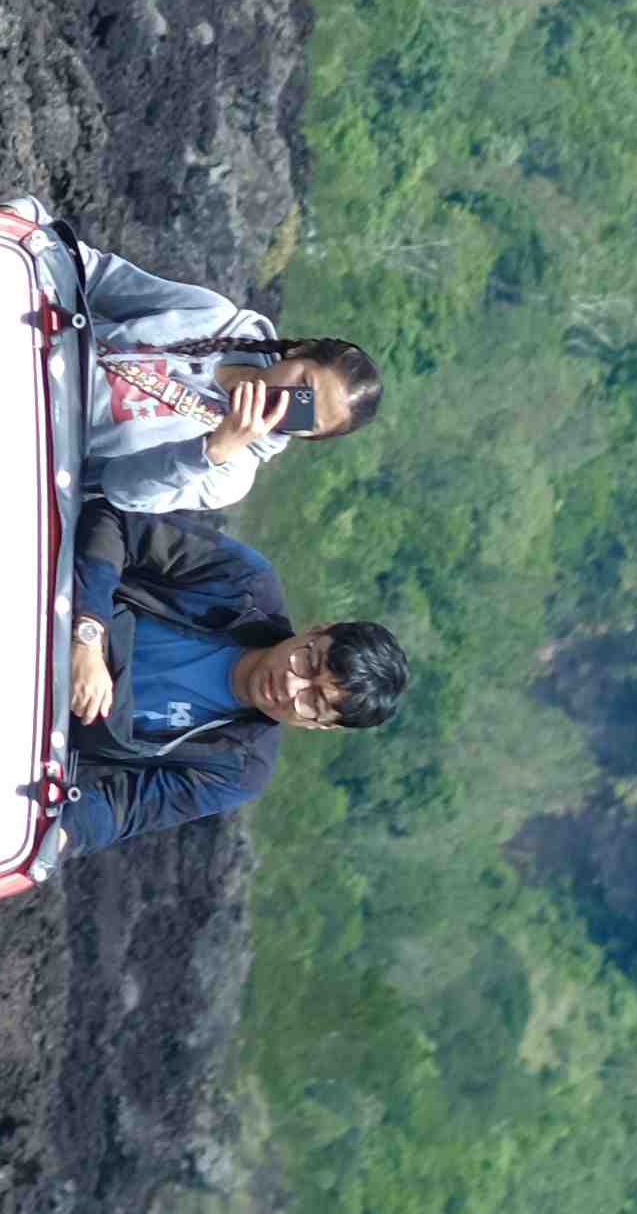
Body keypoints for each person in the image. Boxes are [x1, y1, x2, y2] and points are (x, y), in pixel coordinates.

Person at [54, 500, 409, 862]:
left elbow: (123, 808)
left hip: (44, 728)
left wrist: (65, 834)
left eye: (313, 702)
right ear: (318, 630)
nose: (291, 687)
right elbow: (115, 522)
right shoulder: (243, 581)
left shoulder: (239, 771)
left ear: (320, 726)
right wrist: (88, 637)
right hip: (49, 613)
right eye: (307, 661)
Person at [67, 245, 380, 517]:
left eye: (306, 415)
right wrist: (33, 228)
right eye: (304, 386)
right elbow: (101, 277)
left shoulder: (231, 474)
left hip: (43, 443)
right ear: (300, 351)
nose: (288, 400)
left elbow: (119, 487)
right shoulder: (220, 322)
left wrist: (210, 451)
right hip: (41, 349)